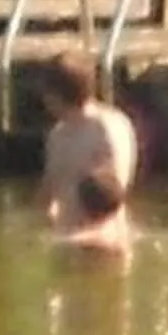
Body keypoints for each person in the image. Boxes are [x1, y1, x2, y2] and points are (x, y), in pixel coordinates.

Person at [38, 49, 138, 246]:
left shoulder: (108, 128)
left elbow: (112, 193)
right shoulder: (57, 135)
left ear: (55, 95)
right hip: (66, 238)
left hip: (105, 240)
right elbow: (49, 193)